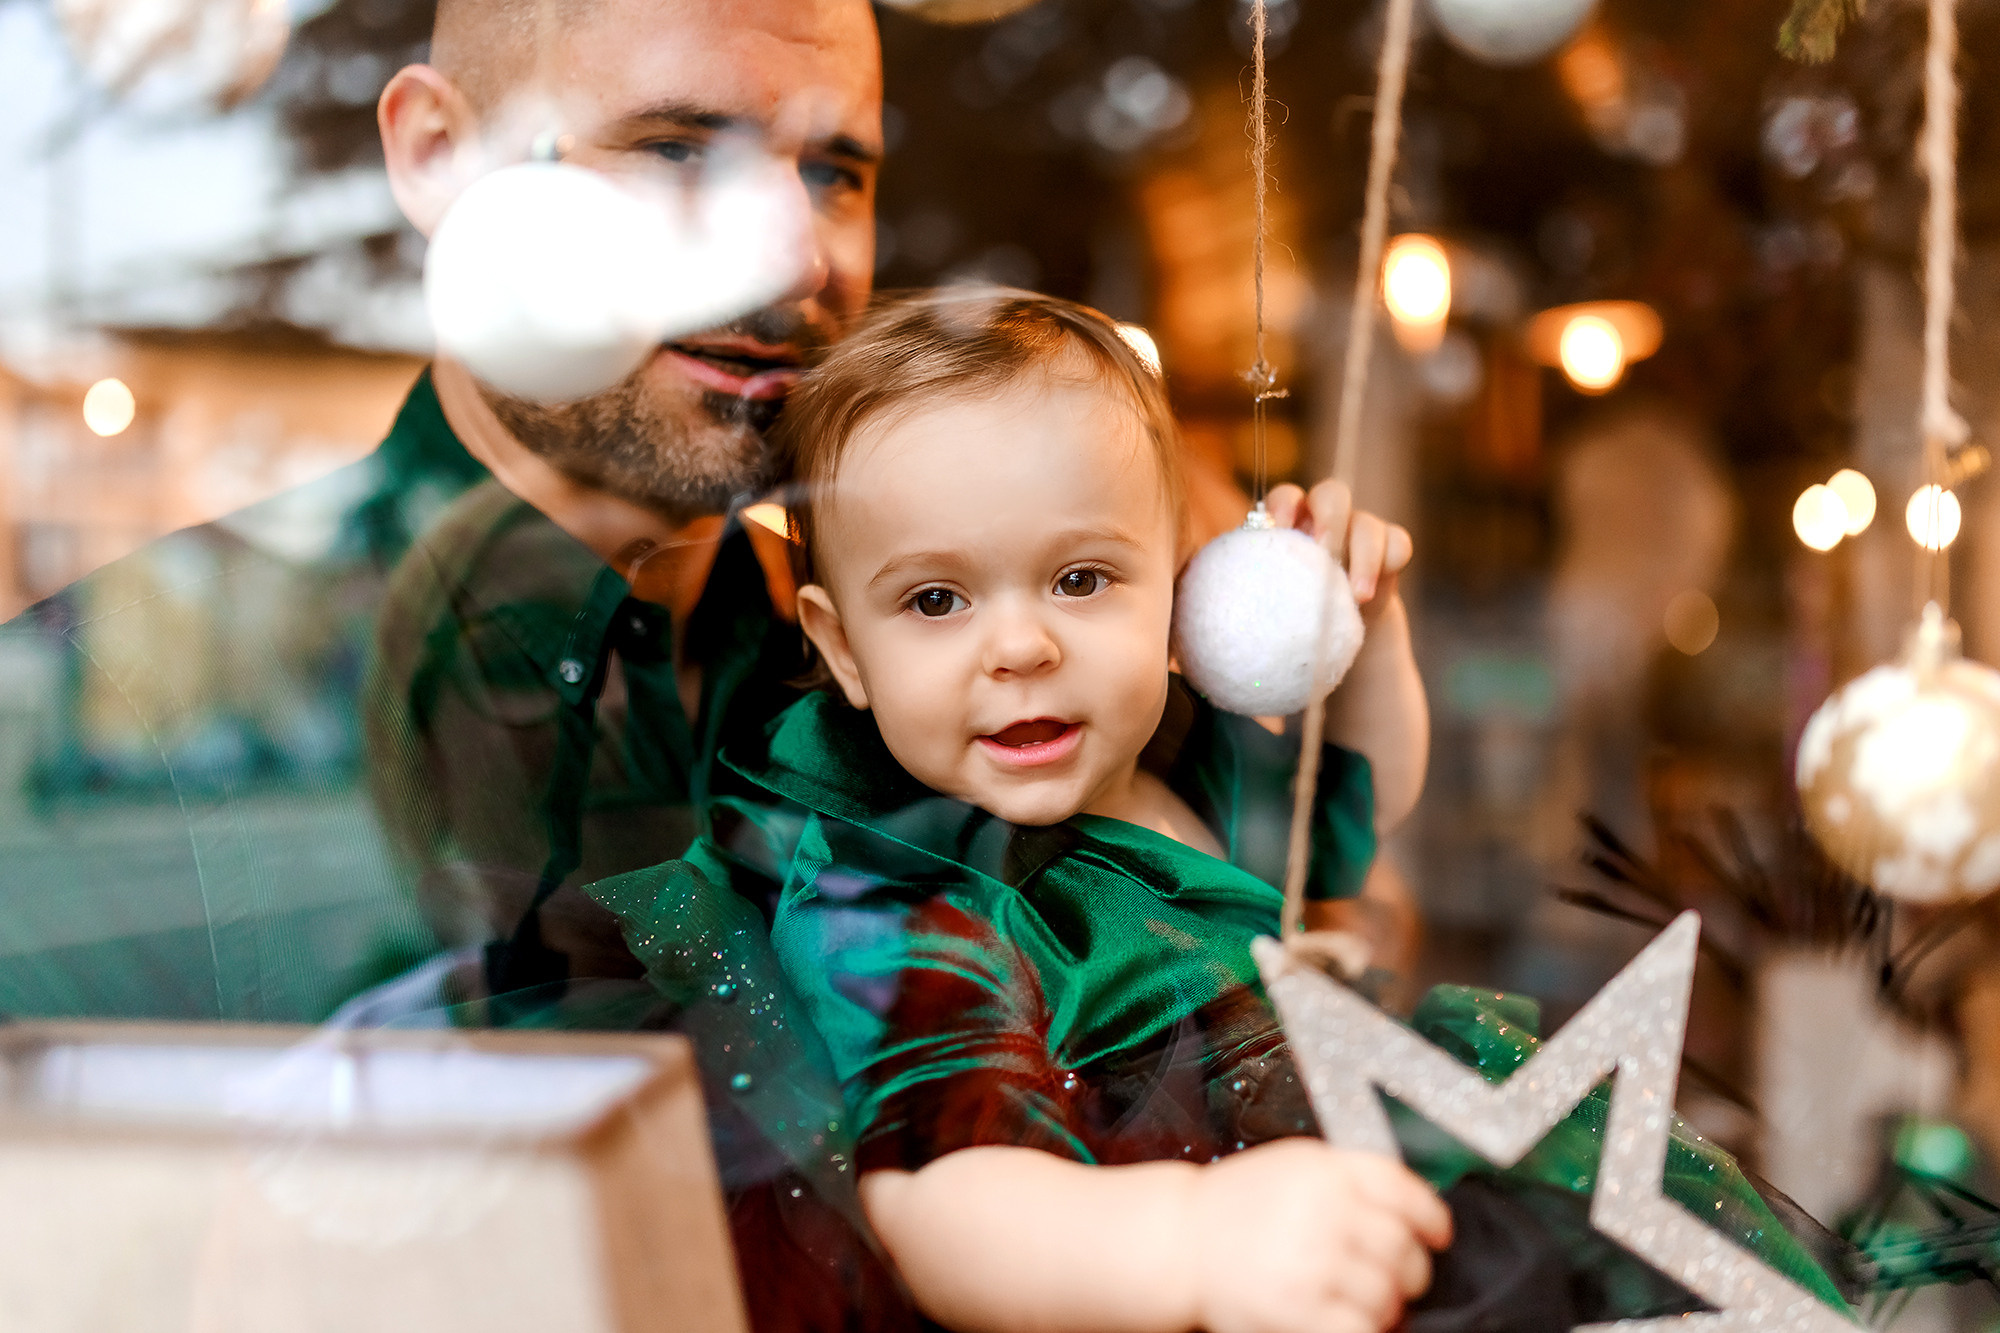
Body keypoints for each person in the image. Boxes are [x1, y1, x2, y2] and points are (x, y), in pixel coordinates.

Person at [588, 289, 1849, 1332]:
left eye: (1081, 578)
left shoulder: (1173, 751)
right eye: (934, 602)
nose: (1018, 645)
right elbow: (940, 1208)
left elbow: (1357, 807)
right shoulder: (900, 889)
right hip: (1173, 1262)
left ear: (1175, 600)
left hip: (1347, 1178)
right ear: (842, 647)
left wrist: (1363, 634)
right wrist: (1194, 1246)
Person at [0, 0, 883, 1026]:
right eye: (678, 151)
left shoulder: (904, 662)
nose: (793, 260)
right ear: (439, 156)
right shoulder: (185, 718)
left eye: (832, 175)